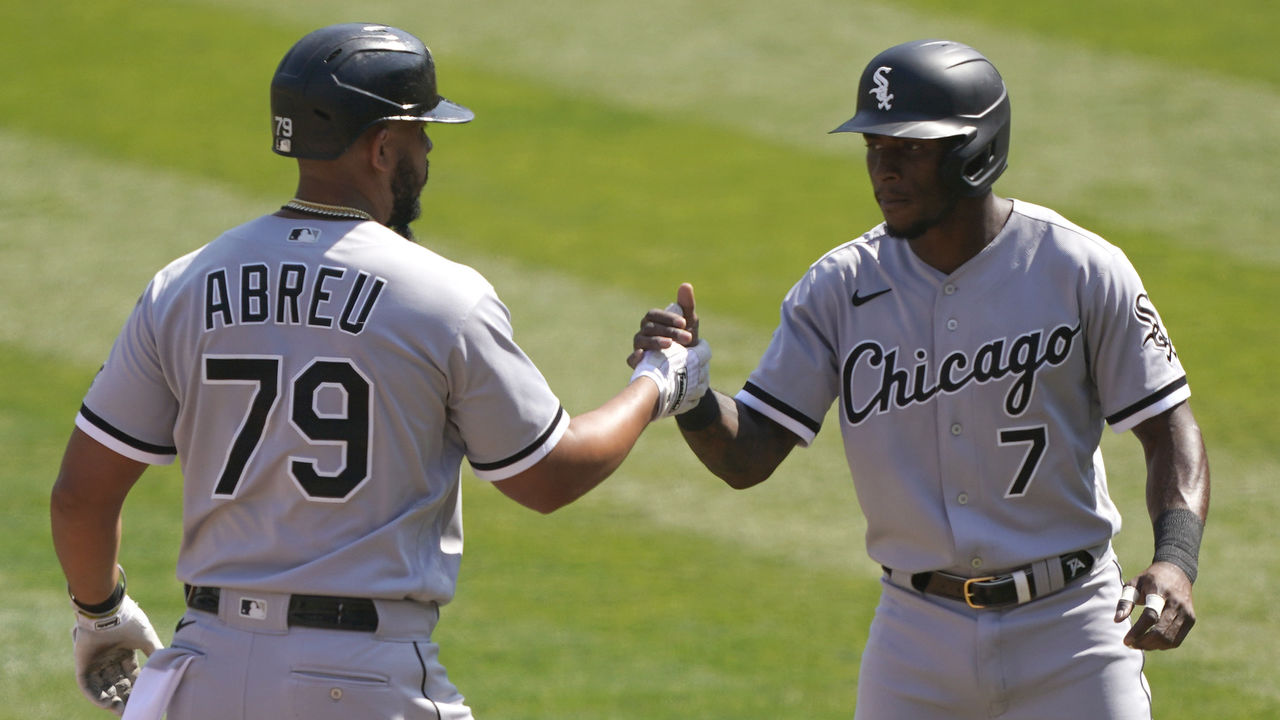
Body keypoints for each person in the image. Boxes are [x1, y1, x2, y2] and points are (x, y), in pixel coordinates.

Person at [50, 22, 708, 719]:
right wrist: (659, 381)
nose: (427, 151)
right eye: (422, 133)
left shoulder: (183, 286)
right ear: (382, 144)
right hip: (359, 682)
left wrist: (101, 612)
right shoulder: (441, 296)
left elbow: (80, 497)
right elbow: (549, 475)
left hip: (202, 673)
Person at [633, 39, 1209, 719]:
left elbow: (1170, 428)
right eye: (874, 149)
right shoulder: (838, 289)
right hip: (915, 638)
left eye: (908, 149)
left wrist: (1175, 560)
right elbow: (748, 455)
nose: (883, 170)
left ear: (975, 151)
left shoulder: (1080, 269)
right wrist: (694, 397)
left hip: (1073, 631)